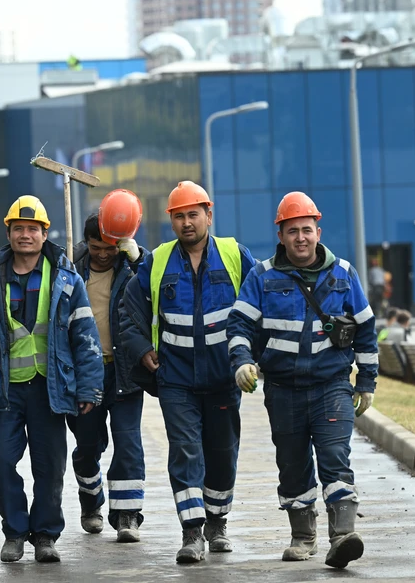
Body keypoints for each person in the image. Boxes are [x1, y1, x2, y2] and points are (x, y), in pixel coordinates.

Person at [227, 191, 379, 570]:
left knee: (334, 458)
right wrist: (242, 361)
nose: (300, 238)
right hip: (283, 390)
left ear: (318, 231)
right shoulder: (262, 277)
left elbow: (366, 329)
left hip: (331, 387)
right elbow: (239, 324)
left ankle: (343, 536)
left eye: (306, 230)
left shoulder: (343, 274)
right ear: (280, 235)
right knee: (292, 465)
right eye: (292, 231)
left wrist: (367, 382)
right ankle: (303, 536)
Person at [0, 195, 105, 564]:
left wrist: (88, 386)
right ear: (9, 233)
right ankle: (16, 531)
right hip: (4, 389)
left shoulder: (66, 279)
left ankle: (46, 535)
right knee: (1, 461)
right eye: (18, 228)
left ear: (44, 233)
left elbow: (85, 336)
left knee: (50, 466)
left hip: (50, 390)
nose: (25, 235)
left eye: (32, 229)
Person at [119, 181, 256, 563]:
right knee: (185, 451)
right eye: (179, 216)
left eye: (193, 214)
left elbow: (258, 305)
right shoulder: (158, 261)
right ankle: (192, 532)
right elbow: (129, 311)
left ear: (208, 215)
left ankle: (218, 521)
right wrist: (142, 349)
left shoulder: (234, 255)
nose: (186, 222)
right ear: (171, 221)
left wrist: (249, 357)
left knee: (222, 453)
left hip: (223, 378)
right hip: (176, 379)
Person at [69, 213, 147, 543]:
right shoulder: (69, 271)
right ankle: (91, 502)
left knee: (128, 443)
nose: (103, 254)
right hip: (84, 374)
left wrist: (139, 259)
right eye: (97, 247)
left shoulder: (132, 268)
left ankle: (127, 515)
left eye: (110, 248)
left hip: (124, 371)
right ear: (87, 243)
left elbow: (155, 289)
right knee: (89, 446)